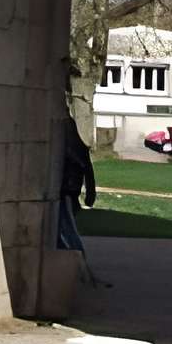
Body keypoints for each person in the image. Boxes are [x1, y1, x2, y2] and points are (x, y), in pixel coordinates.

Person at [58, 114, 101, 280]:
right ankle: (76, 266)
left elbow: (84, 166)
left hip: (66, 190)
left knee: (67, 228)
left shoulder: (67, 135)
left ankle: (80, 266)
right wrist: (90, 194)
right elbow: (87, 168)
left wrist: (89, 194)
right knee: (62, 229)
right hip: (68, 190)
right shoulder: (70, 133)